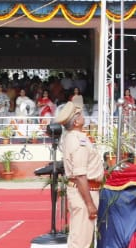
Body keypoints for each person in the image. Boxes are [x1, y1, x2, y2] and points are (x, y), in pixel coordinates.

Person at [57, 100, 103, 248]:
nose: (83, 116)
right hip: (84, 191)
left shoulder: (73, 137)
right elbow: (80, 175)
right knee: (81, 240)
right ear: (76, 121)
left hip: (83, 190)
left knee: (80, 236)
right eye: (80, 114)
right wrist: (89, 204)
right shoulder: (78, 140)